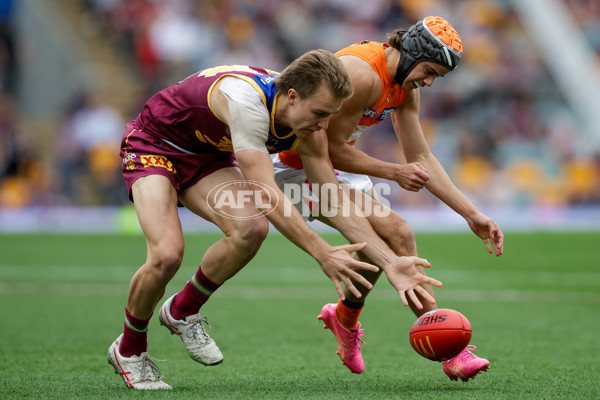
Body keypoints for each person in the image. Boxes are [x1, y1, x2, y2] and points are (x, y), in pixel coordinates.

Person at [107, 49, 444, 390]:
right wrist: (322, 252)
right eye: (320, 113)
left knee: (251, 229)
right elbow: (267, 194)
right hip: (154, 146)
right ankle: (130, 349)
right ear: (293, 95)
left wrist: (390, 262)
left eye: (331, 116)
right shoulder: (247, 104)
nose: (324, 127)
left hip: (207, 155)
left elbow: (330, 199)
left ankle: (181, 311)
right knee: (166, 255)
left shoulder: (309, 125)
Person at [272, 16, 504, 381]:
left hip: (333, 163)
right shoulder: (362, 73)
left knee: (391, 238)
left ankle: (343, 318)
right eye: (429, 71)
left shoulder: (405, 88)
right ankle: (453, 354)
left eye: (435, 78)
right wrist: (393, 171)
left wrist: (471, 214)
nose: (427, 82)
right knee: (396, 235)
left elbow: (422, 158)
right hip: (291, 164)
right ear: (412, 51)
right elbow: (327, 148)